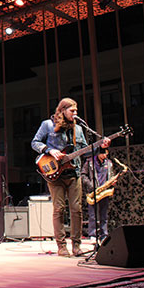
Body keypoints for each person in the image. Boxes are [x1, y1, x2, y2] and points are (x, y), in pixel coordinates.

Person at [31, 98, 109, 257]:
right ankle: (61, 246)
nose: (75, 114)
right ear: (62, 110)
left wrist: (100, 147)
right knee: (59, 209)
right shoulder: (48, 125)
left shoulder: (78, 129)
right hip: (54, 175)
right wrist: (48, 150)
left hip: (74, 173)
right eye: (72, 111)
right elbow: (35, 142)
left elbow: (85, 152)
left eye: (76, 111)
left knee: (77, 210)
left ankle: (76, 245)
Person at [81, 147, 114, 242]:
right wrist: (91, 185)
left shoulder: (109, 163)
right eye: (103, 154)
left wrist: (112, 182)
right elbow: (83, 175)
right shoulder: (89, 162)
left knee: (104, 215)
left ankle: (104, 234)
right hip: (93, 191)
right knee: (92, 215)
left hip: (104, 191)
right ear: (98, 153)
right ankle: (93, 234)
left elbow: (110, 174)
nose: (105, 156)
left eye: (106, 154)